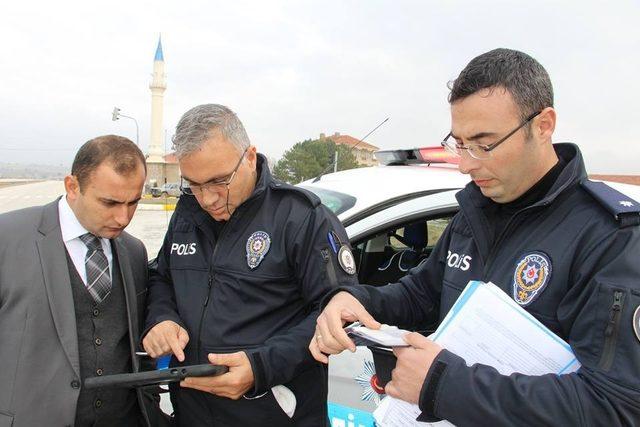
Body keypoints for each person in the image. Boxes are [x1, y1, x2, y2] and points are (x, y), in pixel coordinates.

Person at [310, 48, 640, 425]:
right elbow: (421, 294)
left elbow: (614, 408)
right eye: (459, 143)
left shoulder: (610, 239)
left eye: (484, 145)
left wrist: (441, 385)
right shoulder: (476, 212)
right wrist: (354, 299)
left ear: (544, 125)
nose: (466, 164)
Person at [142, 104, 357, 425]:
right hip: (193, 413)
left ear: (250, 157)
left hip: (276, 412)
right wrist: (161, 318)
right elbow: (162, 277)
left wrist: (261, 367)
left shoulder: (300, 218)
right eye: (194, 184)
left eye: (219, 181)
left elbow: (340, 314)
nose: (207, 199)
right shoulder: (187, 214)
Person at [0, 135, 167, 426]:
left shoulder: (133, 251)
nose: (123, 217)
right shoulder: (8, 237)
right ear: (72, 186)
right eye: (109, 202)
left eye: (133, 202)